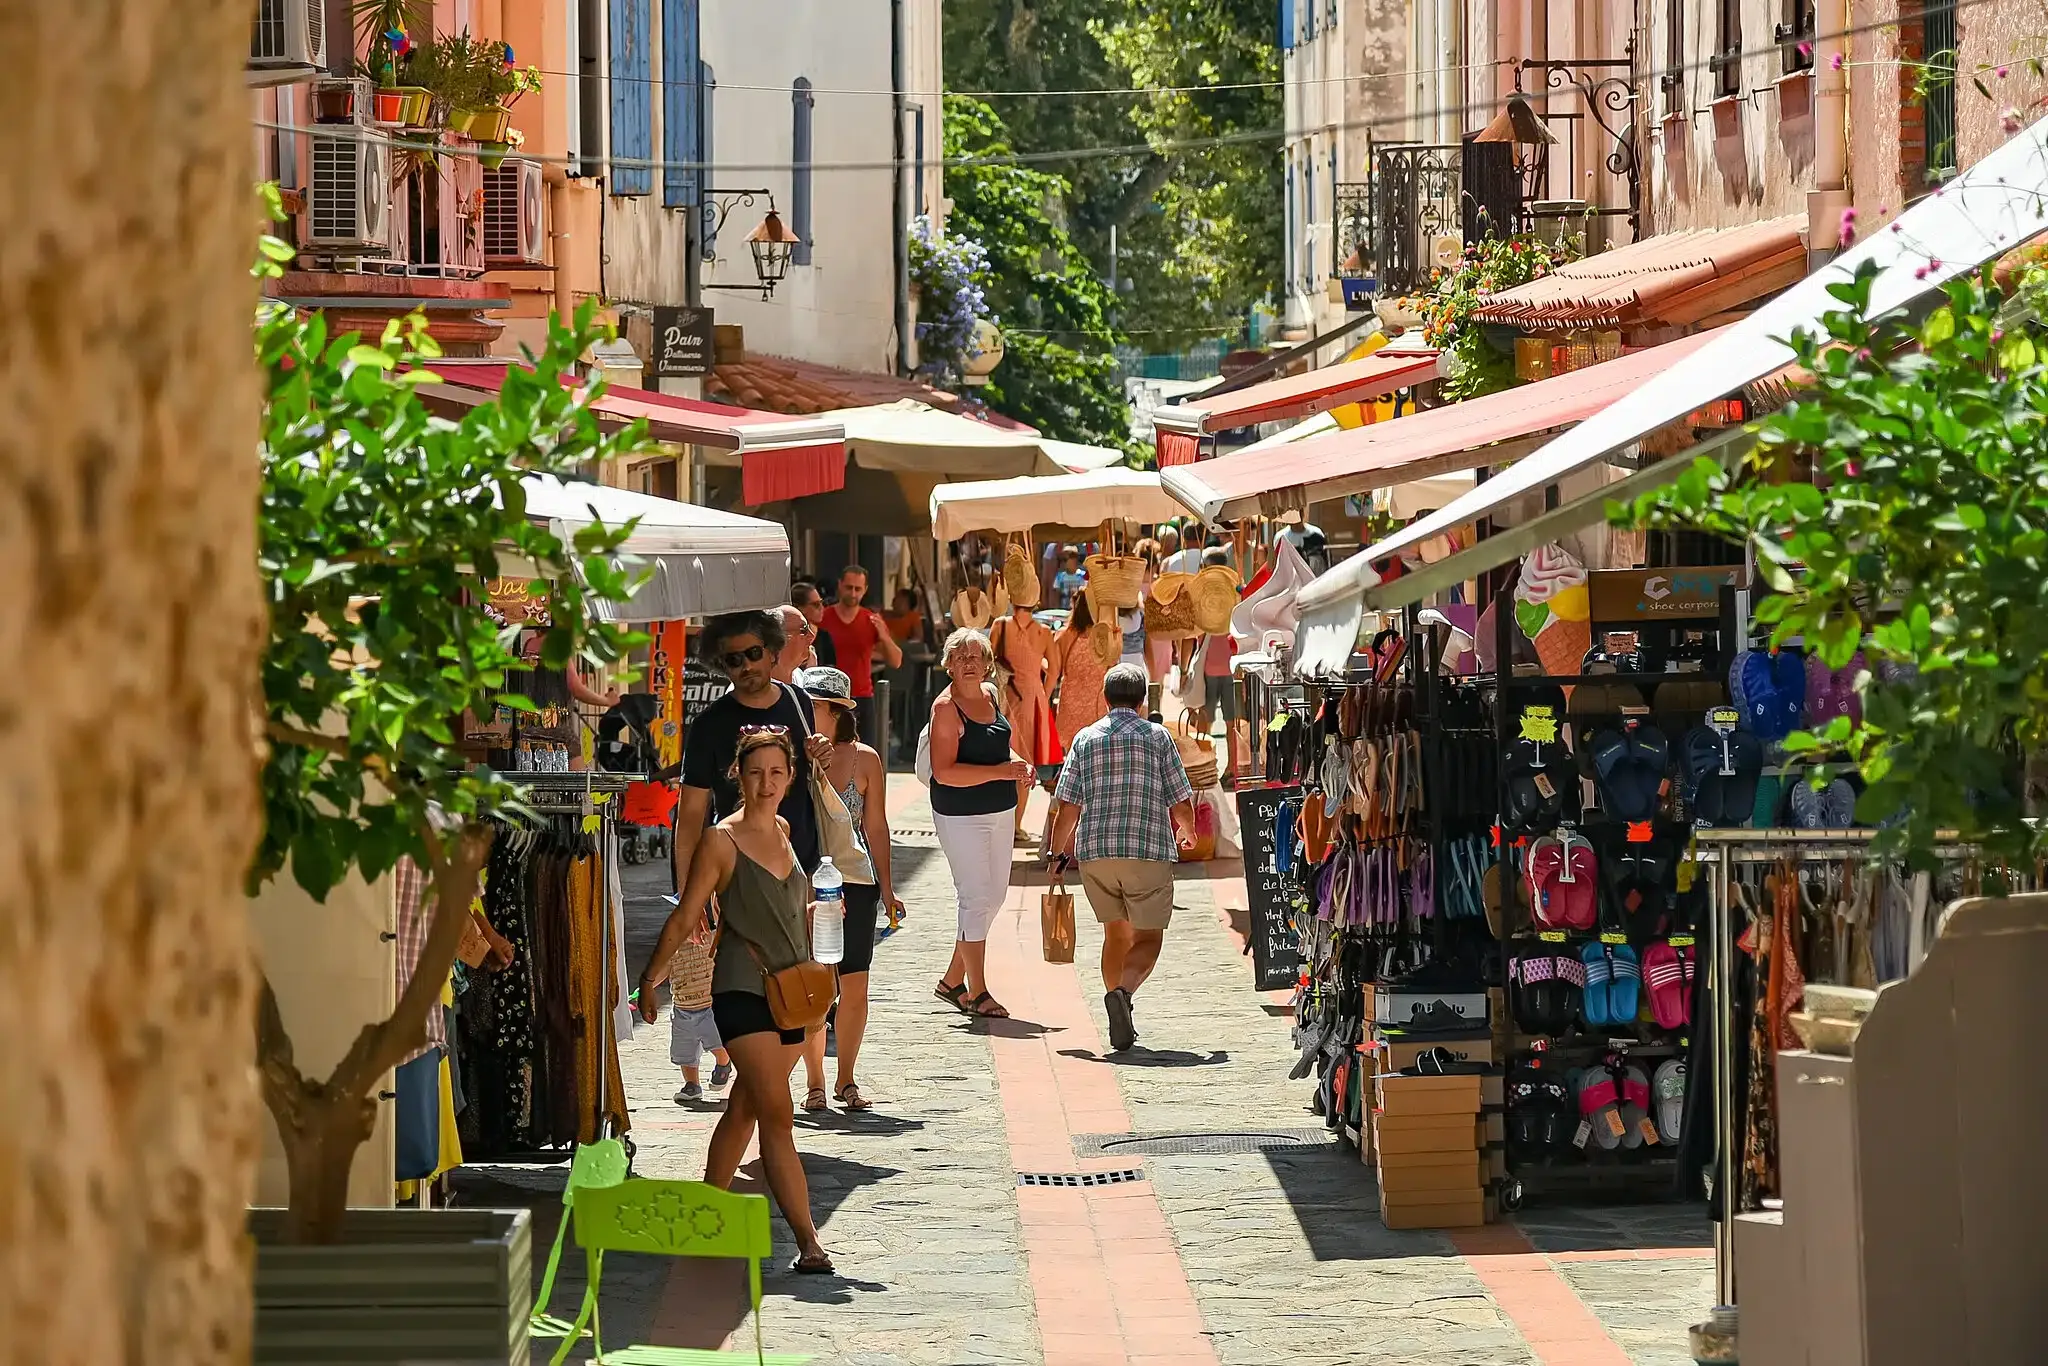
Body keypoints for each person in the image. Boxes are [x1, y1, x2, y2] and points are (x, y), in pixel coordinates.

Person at [639, 728, 834, 1274]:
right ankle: (809, 1243)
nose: (766, 783)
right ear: (738, 777)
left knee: (746, 1103)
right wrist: (651, 980)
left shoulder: (787, 829)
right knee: (777, 1110)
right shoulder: (720, 842)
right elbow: (685, 916)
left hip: (793, 994)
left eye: (777, 772)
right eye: (755, 772)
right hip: (741, 989)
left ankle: (705, 1212)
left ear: (790, 776)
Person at [1048, 663, 1197, 1052]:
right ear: (1142, 700)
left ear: (1105, 697)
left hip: (1096, 853)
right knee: (1148, 937)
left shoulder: (1085, 738)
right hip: (1146, 851)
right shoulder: (1158, 737)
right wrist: (1189, 831)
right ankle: (1123, 995)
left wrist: (1056, 852)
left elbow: (1068, 806)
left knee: (1115, 933)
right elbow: (1180, 800)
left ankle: (1118, 1009)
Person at [796, 668, 903, 1112]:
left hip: (856, 882)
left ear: (837, 711)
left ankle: (847, 1079)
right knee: (813, 986)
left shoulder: (866, 759)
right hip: (806, 884)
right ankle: (815, 1081)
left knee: (855, 984)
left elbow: (876, 826)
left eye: (816, 706)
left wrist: (889, 887)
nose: (808, 713)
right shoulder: (794, 754)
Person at [928, 628, 1032, 1019]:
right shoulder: (945, 709)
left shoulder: (990, 695)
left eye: (976, 656)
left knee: (995, 897)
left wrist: (1018, 764)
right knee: (974, 898)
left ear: (988, 663)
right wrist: (1003, 771)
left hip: (1000, 809)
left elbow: (997, 745)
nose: (969, 663)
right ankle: (977, 991)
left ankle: (952, 981)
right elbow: (945, 772)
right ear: (949, 665)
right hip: (960, 814)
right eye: (961, 657)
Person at [817, 567, 904, 749]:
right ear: (840, 586)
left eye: (858, 588)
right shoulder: (823, 617)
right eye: (849, 587)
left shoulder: (871, 620)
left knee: (864, 753)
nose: (853, 593)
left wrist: (883, 636)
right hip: (829, 698)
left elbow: (896, 661)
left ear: (865, 589)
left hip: (862, 697)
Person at [990, 602, 1056, 842]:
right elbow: (1054, 671)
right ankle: (1016, 825)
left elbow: (990, 661)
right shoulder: (1044, 632)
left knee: (998, 758)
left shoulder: (1001, 625)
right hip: (1032, 700)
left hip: (1005, 697)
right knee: (1025, 764)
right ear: (1036, 604)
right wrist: (1042, 695)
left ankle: (1002, 823)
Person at [666, 921, 732, 1103]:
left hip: (710, 1006)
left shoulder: (712, 939)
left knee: (717, 1042)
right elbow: (663, 968)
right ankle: (691, 1085)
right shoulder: (672, 947)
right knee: (685, 1053)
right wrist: (648, 985)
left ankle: (723, 1063)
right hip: (682, 1007)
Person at [1197, 546, 1243, 785]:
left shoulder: (1202, 593)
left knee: (1204, 719)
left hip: (1210, 667)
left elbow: (1195, 633)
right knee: (1230, 722)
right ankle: (1230, 769)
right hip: (1232, 667)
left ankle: (1203, 765)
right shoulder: (1236, 592)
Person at [1049, 591, 1110, 750]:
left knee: (1072, 751)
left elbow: (1054, 670)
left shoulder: (1064, 635)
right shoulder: (1104, 637)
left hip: (1071, 705)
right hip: (1098, 704)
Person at [791, 582, 837, 667]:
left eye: (821, 603)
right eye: (816, 605)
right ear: (799, 607)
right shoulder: (788, 637)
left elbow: (830, 668)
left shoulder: (824, 636)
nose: (822, 608)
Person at [774, 603, 819, 681]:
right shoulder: (759, 685)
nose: (811, 636)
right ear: (778, 637)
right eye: (804, 630)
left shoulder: (801, 678)